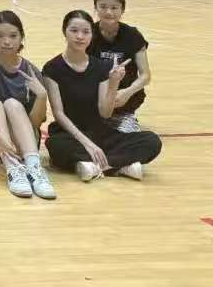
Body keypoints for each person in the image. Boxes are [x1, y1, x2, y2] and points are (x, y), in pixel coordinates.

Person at [42, 10, 162, 183]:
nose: (80, 36)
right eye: (74, 30)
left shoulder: (101, 67)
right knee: (55, 145)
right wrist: (87, 143)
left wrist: (113, 83)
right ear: (64, 32)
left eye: (86, 32)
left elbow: (105, 113)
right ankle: (121, 165)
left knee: (151, 141)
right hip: (70, 134)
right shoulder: (52, 68)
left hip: (100, 132)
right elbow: (59, 114)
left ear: (91, 35)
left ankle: (97, 166)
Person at [0, 11, 56, 199]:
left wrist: (42, 96)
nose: (6, 41)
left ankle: (34, 169)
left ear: (21, 37)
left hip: (21, 145)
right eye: (0, 35)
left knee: (13, 104)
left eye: (13, 36)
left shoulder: (31, 71)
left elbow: (35, 123)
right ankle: (13, 169)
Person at [88, 0, 152, 133]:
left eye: (114, 7)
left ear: (122, 10)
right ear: (95, 8)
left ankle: (126, 118)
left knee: (126, 138)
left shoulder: (133, 36)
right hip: (94, 101)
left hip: (124, 102)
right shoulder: (87, 33)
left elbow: (145, 76)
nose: (108, 12)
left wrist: (126, 93)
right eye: (103, 7)